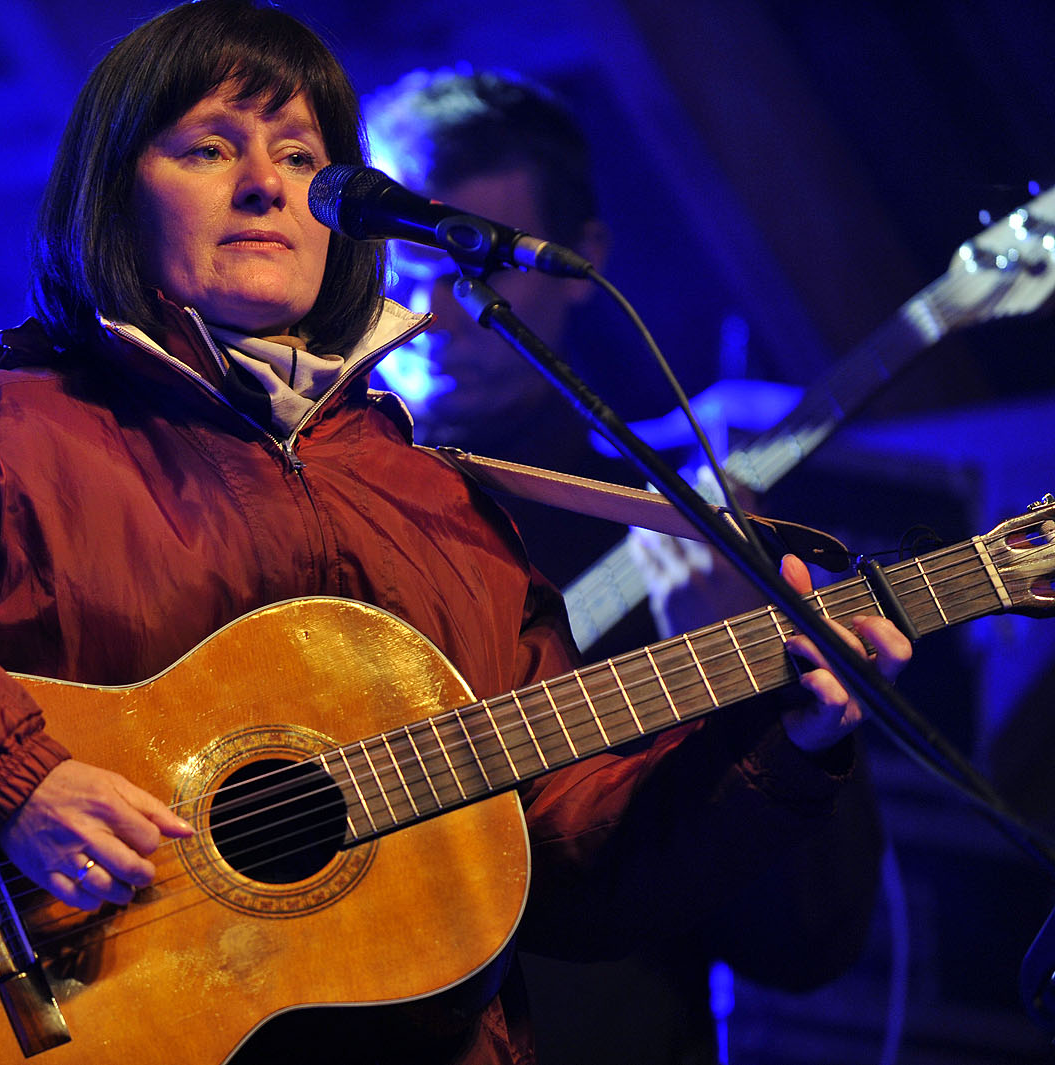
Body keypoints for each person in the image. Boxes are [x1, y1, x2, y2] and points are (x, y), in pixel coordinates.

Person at [0, 4, 909, 1063]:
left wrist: (784, 743)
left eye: (302, 158)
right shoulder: (15, 437)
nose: (266, 184)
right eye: (208, 147)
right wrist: (14, 781)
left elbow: (564, 859)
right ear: (114, 195)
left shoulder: (434, 497)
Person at [366, 67, 887, 1062]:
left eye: (475, 264)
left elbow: (808, 944)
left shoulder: (678, 538)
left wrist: (743, 685)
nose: (430, 305)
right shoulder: (291, 494)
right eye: (398, 256)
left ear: (580, 259)